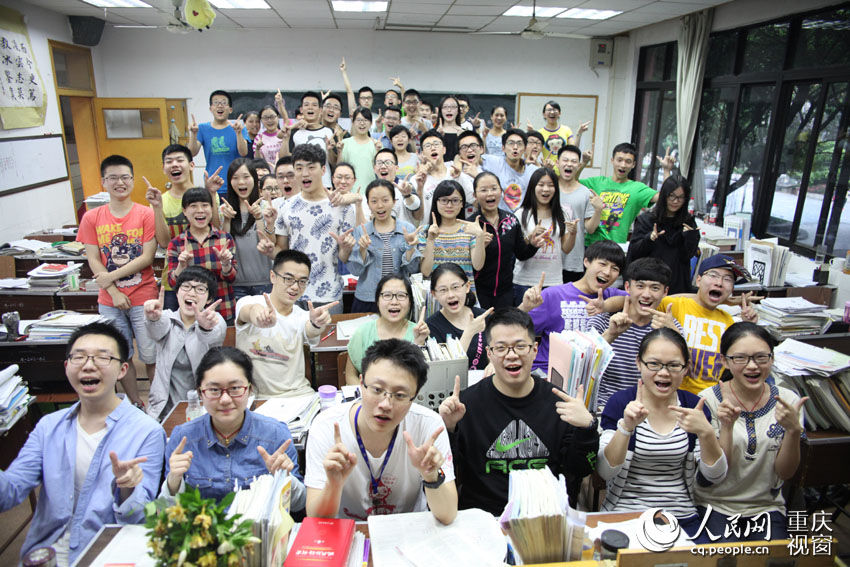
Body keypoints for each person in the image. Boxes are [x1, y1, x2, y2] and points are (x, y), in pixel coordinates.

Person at [0, 322, 165, 565]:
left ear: (122, 369)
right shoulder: (49, 427)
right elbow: (10, 492)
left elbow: (139, 518)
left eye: (102, 357)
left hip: (107, 552)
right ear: (67, 367)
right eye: (78, 357)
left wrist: (127, 488)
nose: (88, 365)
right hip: (45, 554)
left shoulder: (146, 431)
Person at [438, 308, 599, 515]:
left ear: (535, 350)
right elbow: (447, 471)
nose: (511, 355)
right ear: (489, 354)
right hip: (484, 518)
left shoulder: (560, 403)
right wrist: (449, 428)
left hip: (544, 516)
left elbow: (580, 470)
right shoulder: (465, 404)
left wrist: (587, 427)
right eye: (501, 348)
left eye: (520, 346)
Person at [306, 339, 457, 523]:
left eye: (400, 395)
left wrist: (432, 476)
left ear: (414, 396)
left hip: (408, 531)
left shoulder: (428, 426)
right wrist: (333, 485)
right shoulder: (326, 426)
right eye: (377, 390)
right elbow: (316, 520)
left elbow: (448, 515)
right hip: (350, 533)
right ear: (361, 384)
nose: (386, 404)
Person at [598, 328, 727, 542]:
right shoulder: (620, 403)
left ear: (685, 368)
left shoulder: (693, 406)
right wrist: (626, 428)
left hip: (681, 516)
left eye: (674, 365)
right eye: (654, 364)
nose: (664, 373)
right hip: (625, 514)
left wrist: (706, 433)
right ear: (639, 363)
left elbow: (714, 478)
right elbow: (605, 472)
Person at [695, 322, 807, 541]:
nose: (752, 366)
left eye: (761, 357)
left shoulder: (788, 402)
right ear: (724, 361)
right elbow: (715, 476)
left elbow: (785, 473)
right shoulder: (707, 401)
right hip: (715, 505)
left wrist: (793, 431)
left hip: (766, 507)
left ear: (772, 359)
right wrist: (726, 426)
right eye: (740, 358)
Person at [162, 347, 306, 511]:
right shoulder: (183, 438)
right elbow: (166, 512)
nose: (225, 399)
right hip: (201, 533)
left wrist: (285, 479)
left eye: (235, 388)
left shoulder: (275, 435)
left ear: (249, 389)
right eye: (214, 390)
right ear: (200, 393)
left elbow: (298, 505)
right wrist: (174, 481)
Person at [77, 155, 157, 409]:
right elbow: (93, 259)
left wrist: (110, 276)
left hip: (144, 293)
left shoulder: (145, 214)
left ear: (133, 180)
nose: (119, 182)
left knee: (150, 353)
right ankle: (136, 403)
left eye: (125, 177)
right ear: (103, 182)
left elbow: (147, 257)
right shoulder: (92, 217)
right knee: (120, 355)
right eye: (113, 178)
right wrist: (113, 291)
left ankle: (156, 403)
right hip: (109, 300)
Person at [266, 143, 356, 312]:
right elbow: (282, 253)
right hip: (292, 294)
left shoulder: (343, 207)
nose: (305, 173)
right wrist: (269, 249)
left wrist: (345, 247)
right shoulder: (286, 207)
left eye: (311, 167)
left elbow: (344, 257)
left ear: (323, 170)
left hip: (329, 294)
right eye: (299, 168)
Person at [235, 250, 333, 398]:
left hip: (298, 393)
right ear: (273, 276)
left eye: (302, 281)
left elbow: (310, 330)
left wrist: (316, 324)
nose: (295, 287)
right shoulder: (249, 301)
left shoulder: (303, 315)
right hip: (259, 397)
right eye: (288, 279)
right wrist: (258, 315)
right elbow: (248, 312)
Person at [521, 240, 628, 373]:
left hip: (590, 375)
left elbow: (634, 298)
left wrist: (606, 306)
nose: (607, 272)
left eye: (615, 269)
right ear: (586, 262)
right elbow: (516, 328)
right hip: (548, 372)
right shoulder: (554, 294)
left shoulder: (611, 295)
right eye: (602, 264)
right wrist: (524, 308)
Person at [588, 258, 682, 410]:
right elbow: (584, 364)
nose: (646, 294)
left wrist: (674, 336)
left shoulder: (669, 325)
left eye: (655, 288)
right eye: (640, 286)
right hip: (604, 405)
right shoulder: (605, 320)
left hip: (650, 408)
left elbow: (683, 371)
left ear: (665, 292)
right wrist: (611, 334)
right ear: (627, 287)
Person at [660, 254, 759, 395]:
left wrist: (749, 327)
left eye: (728, 279)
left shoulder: (728, 322)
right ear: (698, 280)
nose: (719, 283)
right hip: (672, 393)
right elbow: (647, 300)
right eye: (713, 275)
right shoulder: (673, 306)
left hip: (710, 397)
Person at [145, 144, 224, 311]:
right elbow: (165, 242)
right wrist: (157, 208)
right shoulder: (161, 201)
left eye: (180, 160)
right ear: (164, 168)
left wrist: (211, 194)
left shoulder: (206, 195)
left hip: (207, 278)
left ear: (191, 165)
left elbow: (217, 230)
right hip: (174, 280)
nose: (174, 164)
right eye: (169, 161)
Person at [144, 266, 226, 421]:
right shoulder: (165, 317)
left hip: (203, 406)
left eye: (200, 289)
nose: (192, 293)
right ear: (177, 292)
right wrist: (152, 319)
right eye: (186, 287)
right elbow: (155, 331)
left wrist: (204, 327)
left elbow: (212, 336)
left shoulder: (213, 319)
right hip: (164, 408)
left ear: (209, 299)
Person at [467, 172, 543, 309]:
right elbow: (465, 264)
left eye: (494, 188)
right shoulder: (471, 225)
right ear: (475, 195)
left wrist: (532, 245)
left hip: (505, 293)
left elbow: (521, 254)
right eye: (483, 190)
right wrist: (480, 247)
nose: (490, 194)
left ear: (501, 192)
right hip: (478, 293)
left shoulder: (511, 220)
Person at [347, 180, 421, 313]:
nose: (380, 206)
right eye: (374, 201)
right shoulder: (361, 231)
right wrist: (362, 250)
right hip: (367, 299)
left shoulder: (407, 229)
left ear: (394, 201)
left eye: (385, 200)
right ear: (368, 204)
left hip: (398, 300)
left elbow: (413, 269)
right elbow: (355, 271)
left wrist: (411, 248)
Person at [166, 187, 237, 324]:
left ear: (212, 208)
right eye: (193, 206)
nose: (200, 210)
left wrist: (226, 264)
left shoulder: (224, 239)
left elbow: (232, 278)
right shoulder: (177, 243)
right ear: (184, 211)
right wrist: (181, 266)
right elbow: (173, 283)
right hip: (191, 313)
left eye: (205, 205)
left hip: (223, 309)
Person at [345, 274, 429, 384]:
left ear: (410, 302)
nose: (394, 302)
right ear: (377, 301)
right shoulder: (362, 332)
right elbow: (351, 375)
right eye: (387, 295)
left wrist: (420, 343)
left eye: (401, 295)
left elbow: (423, 380)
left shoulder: (419, 333)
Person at [512, 168, 578, 303]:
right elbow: (516, 248)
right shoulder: (521, 213)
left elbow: (566, 248)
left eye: (551, 185)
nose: (546, 189)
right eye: (541, 185)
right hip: (524, 281)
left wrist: (573, 233)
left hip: (553, 280)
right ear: (533, 187)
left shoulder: (563, 214)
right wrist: (530, 237)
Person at [628, 174, 701, 294]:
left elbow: (687, 256)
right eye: (671, 196)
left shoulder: (688, 222)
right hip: (650, 282)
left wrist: (691, 238)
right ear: (664, 195)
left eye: (680, 197)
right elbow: (634, 253)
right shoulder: (646, 220)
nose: (675, 201)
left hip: (676, 283)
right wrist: (649, 239)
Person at [583, 142, 667, 244]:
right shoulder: (597, 182)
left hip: (617, 247)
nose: (623, 165)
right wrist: (583, 162)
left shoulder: (637, 188)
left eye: (628, 161)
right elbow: (571, 181)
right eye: (619, 160)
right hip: (591, 245)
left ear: (633, 165)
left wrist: (666, 170)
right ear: (612, 160)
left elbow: (665, 196)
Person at [419, 180, 488, 297]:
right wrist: (430, 240)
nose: (449, 205)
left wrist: (480, 236)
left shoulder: (470, 230)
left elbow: (478, 265)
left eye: (455, 200)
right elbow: (426, 272)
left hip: (465, 297)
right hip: (437, 299)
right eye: (444, 200)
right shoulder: (425, 232)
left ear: (462, 204)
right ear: (436, 202)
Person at [219, 158, 272, 301]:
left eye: (246, 177)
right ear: (230, 182)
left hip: (265, 282)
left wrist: (259, 217)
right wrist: (227, 220)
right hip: (236, 284)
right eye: (235, 178)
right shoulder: (224, 210)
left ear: (255, 179)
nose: (241, 182)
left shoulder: (267, 207)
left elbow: (267, 244)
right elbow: (223, 246)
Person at [426, 263, 493, 370]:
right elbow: (447, 371)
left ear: (467, 287)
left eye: (455, 287)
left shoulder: (483, 316)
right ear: (434, 294)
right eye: (443, 290)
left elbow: (497, 351)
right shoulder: (431, 326)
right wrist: (469, 333)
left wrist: (493, 364)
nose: (451, 295)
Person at [188, 90, 247, 195]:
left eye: (224, 103)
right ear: (211, 109)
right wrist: (193, 134)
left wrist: (238, 133)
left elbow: (243, 152)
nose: (220, 106)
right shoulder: (202, 128)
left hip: (236, 184)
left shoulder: (239, 127)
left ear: (230, 109)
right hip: (212, 183)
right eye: (216, 103)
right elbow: (192, 153)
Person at [557, 144, 603, 282]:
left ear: (578, 166)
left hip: (573, 259)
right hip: (548, 257)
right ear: (557, 163)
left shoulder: (585, 193)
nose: (569, 164)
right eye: (565, 160)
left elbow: (590, 228)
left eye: (573, 161)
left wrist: (598, 210)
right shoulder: (548, 189)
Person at [414, 130, 475, 218]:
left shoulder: (456, 172)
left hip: (456, 228)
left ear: (444, 150)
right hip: (430, 228)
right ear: (422, 153)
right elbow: (417, 217)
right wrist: (420, 187)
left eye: (436, 144)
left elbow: (474, 200)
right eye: (428, 146)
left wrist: (460, 177)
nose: (433, 148)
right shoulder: (416, 179)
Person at [480, 129, 539, 212]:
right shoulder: (495, 162)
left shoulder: (533, 171)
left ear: (525, 148)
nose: (515, 147)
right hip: (500, 218)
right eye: (511, 143)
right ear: (503, 148)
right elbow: (473, 157)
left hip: (524, 218)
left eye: (519, 144)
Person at [285, 92, 335, 188]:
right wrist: (288, 134)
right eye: (306, 105)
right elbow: (286, 158)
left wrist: (331, 150)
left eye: (314, 105)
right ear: (301, 109)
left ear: (320, 110)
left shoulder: (329, 132)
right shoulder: (295, 133)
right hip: (301, 185)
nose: (310, 108)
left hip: (325, 184)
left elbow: (333, 162)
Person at [335, 107, 378, 195]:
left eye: (365, 120)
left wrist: (377, 151)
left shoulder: (376, 144)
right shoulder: (345, 143)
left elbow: (379, 170)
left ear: (370, 123)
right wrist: (339, 152)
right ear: (353, 122)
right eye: (359, 120)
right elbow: (339, 168)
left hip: (371, 193)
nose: (362, 123)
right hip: (349, 193)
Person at [436, 96, 464, 160]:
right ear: (440, 111)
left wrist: (461, 139)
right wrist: (437, 136)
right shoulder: (434, 132)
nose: (449, 110)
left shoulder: (463, 133)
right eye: (445, 107)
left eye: (453, 107)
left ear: (458, 111)